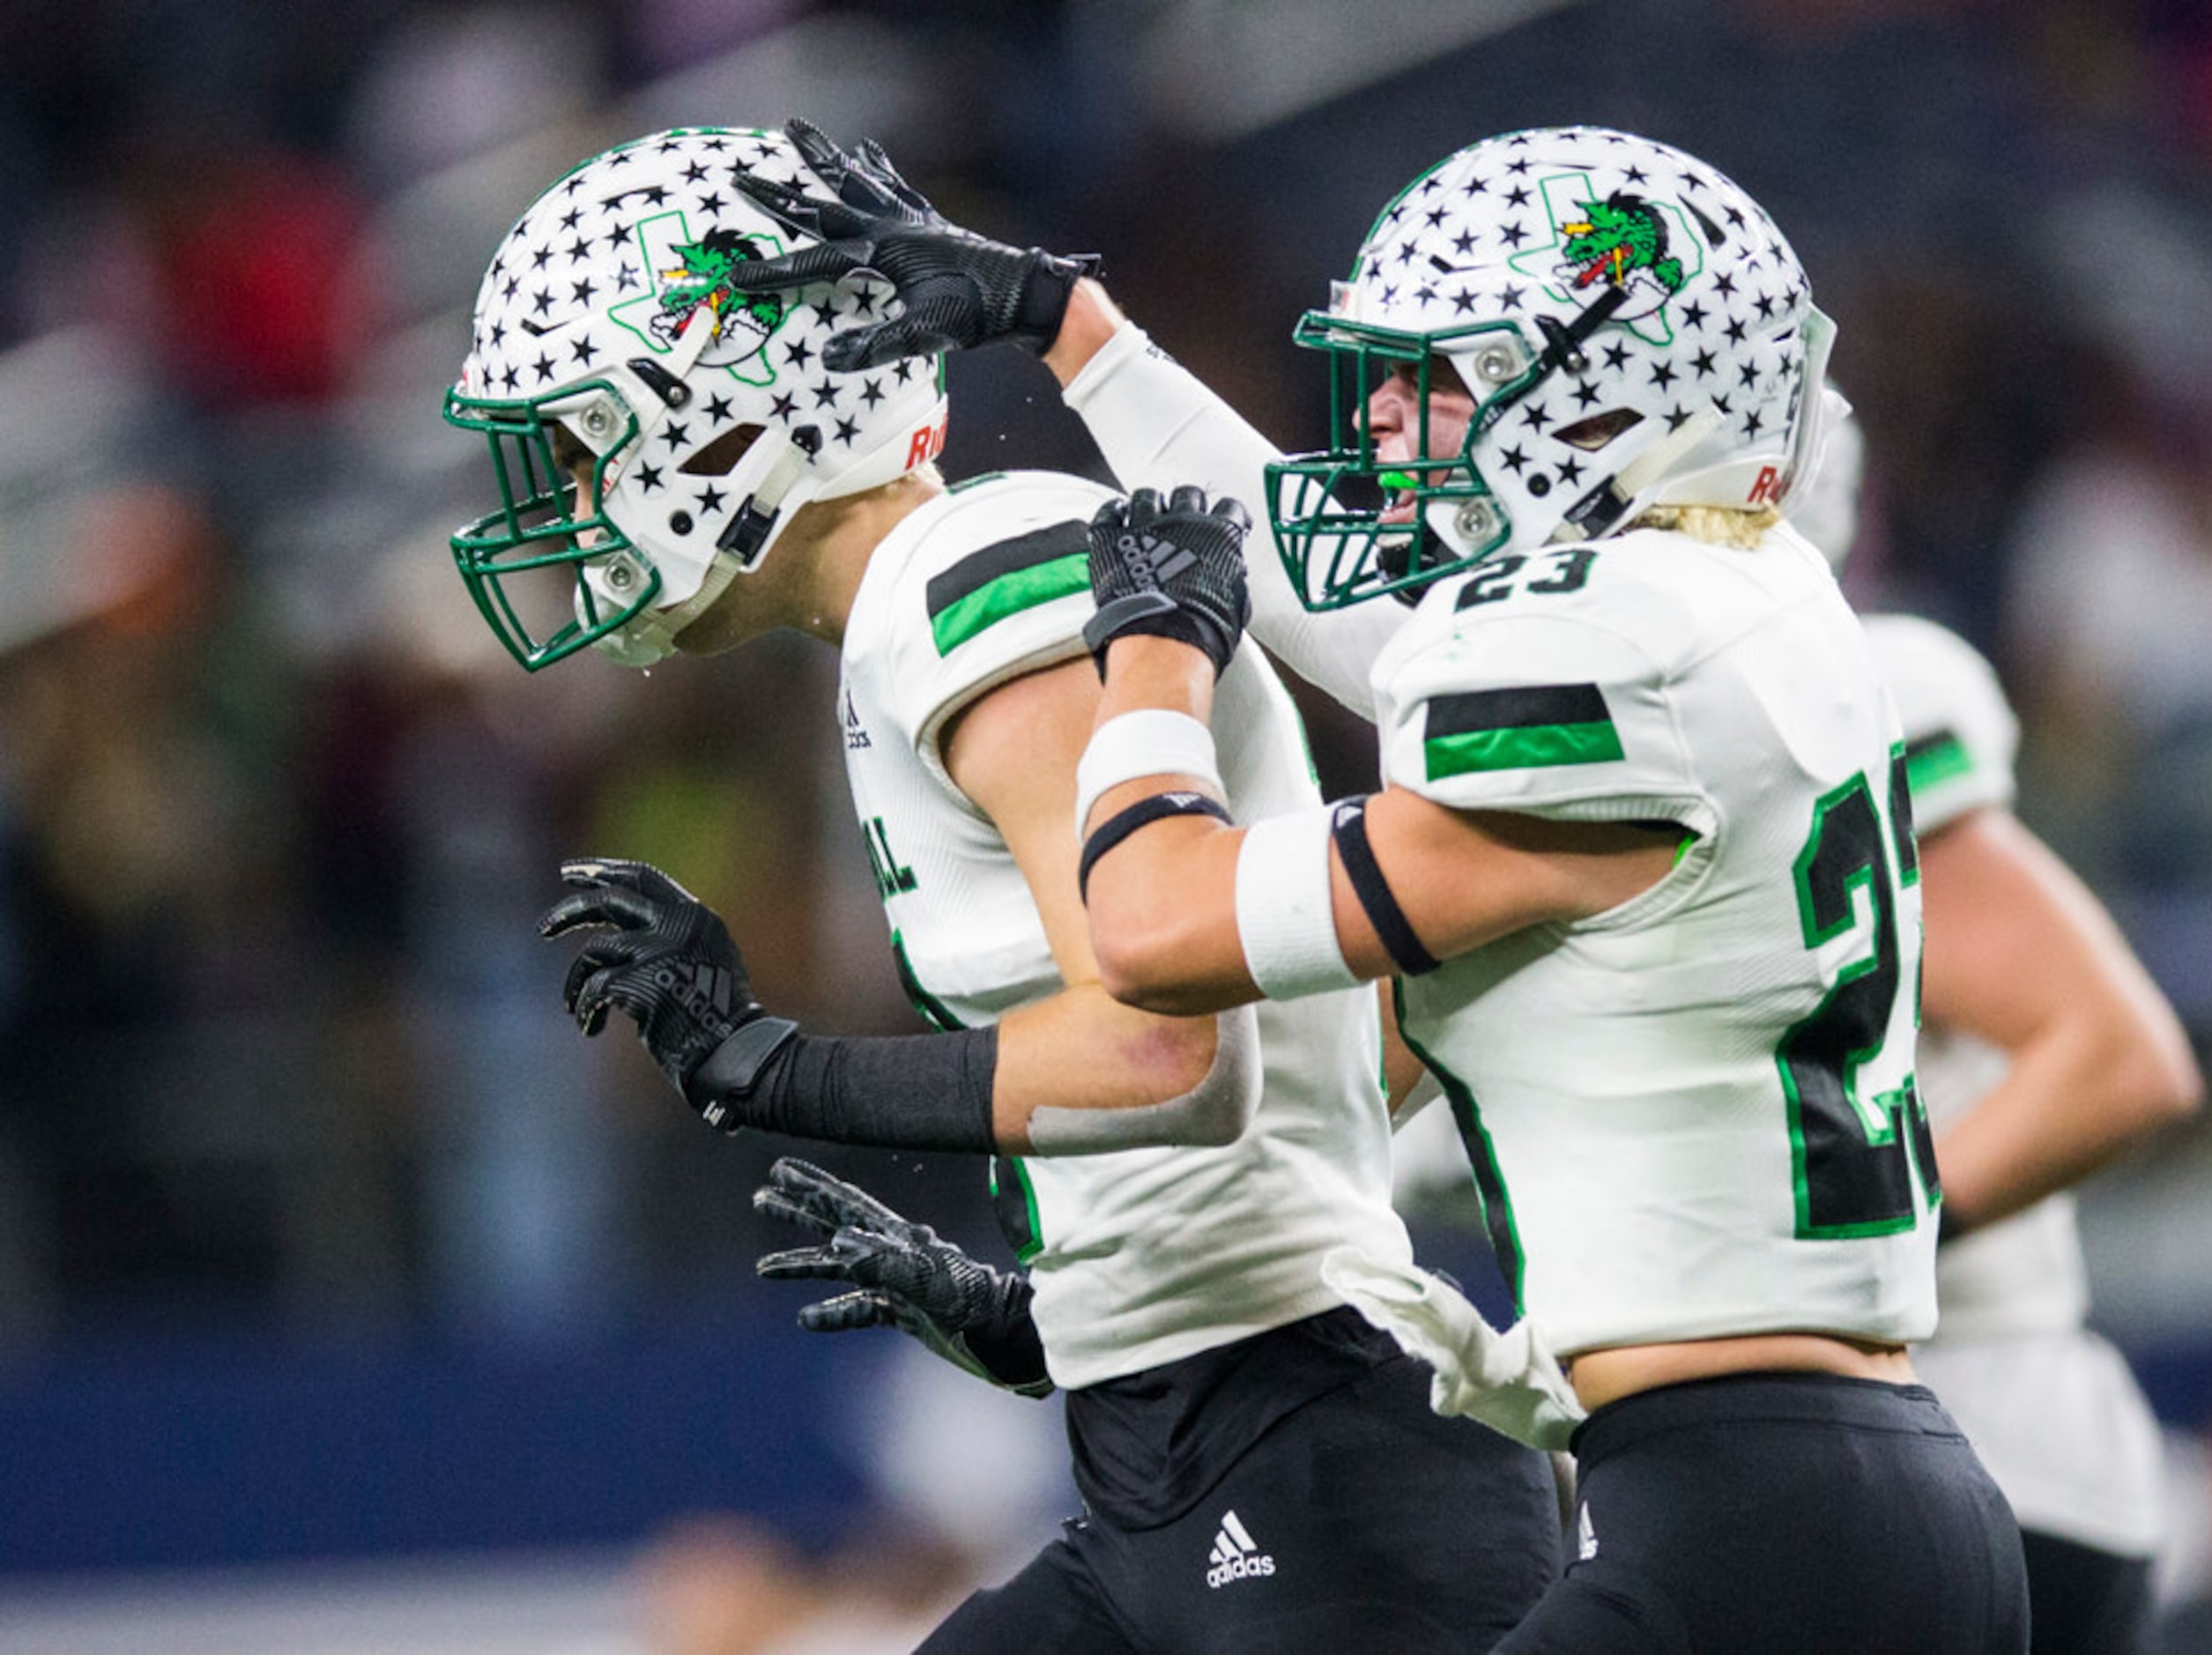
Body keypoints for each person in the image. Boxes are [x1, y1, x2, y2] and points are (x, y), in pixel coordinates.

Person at [735, 123, 2033, 1649]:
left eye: (1449, 380)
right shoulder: (1750, 610)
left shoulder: (1605, 656)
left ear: (1610, 399)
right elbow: (1340, 606)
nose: (1395, 425)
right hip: (1832, 1485)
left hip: (1742, 1517)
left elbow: (1152, 932)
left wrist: (1151, 659)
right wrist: (1072, 332)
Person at [440, 124, 1563, 1652]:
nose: (568, 498)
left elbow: (1166, 1046)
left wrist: (770, 1066)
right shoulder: (931, 607)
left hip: (1313, 1454)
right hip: (1199, 1441)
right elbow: (1339, 1034)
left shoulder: (965, 582)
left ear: (721, 415)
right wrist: (1056, 1306)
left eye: (583, 440)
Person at [1790, 413, 2204, 1653]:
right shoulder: (1535, 732)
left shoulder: (1860, 684)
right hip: (1815, 1458)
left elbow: (2116, 1057)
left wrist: (1834, 1263)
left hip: (1962, 1437)